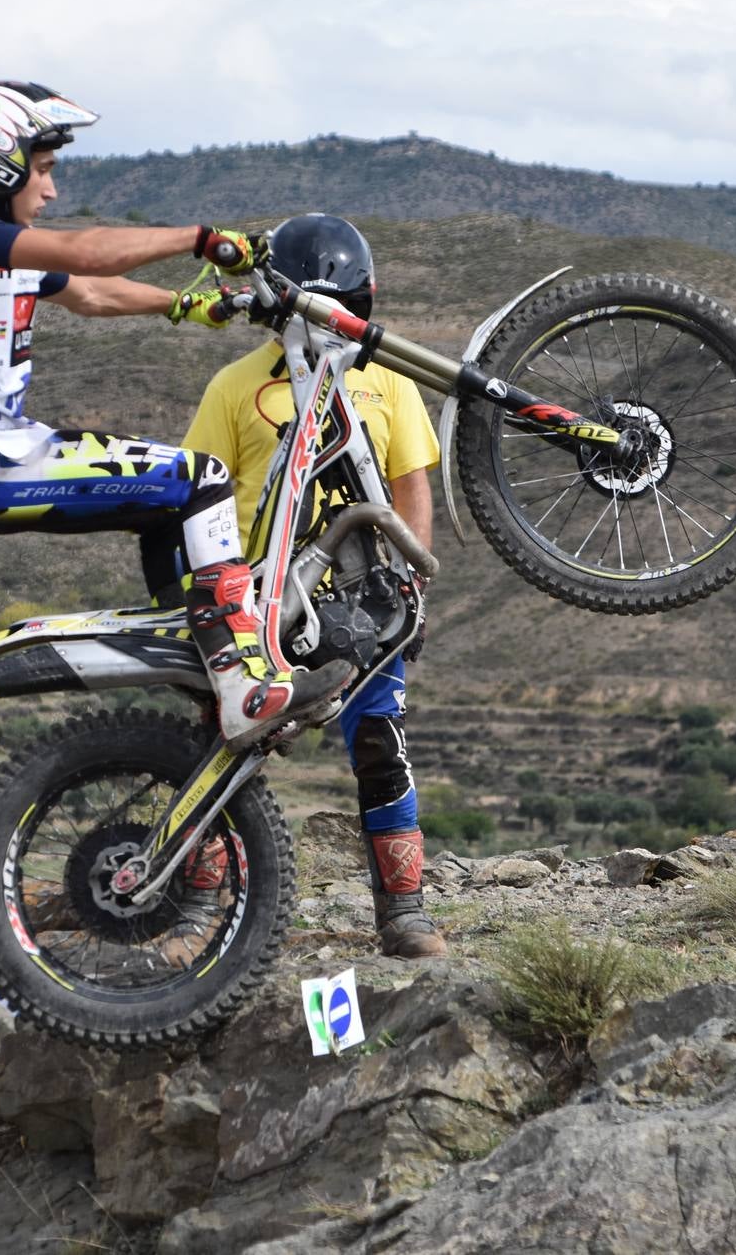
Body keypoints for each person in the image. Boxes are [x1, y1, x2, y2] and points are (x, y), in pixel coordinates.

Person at [0, 81, 346, 752]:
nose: (51, 190)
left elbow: (87, 290)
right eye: (45, 169)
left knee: (168, 504)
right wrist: (199, 239)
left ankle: (212, 682)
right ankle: (243, 684)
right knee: (202, 480)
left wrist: (185, 305)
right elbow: (85, 254)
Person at [174, 214, 448, 958]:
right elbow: (198, 494)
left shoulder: (387, 378)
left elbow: (409, 484)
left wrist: (413, 582)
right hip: (259, 599)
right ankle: (197, 911)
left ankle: (404, 913)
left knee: (379, 745)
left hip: (364, 598)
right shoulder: (235, 384)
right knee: (219, 744)